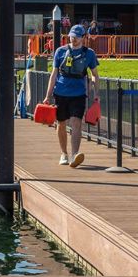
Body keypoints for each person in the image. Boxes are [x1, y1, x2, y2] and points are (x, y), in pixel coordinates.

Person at [43, 23, 100, 168]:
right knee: (61, 123)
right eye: (71, 36)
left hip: (79, 94)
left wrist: (96, 94)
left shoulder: (89, 53)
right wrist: (48, 96)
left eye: (77, 37)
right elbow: (54, 74)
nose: (73, 39)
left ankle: (75, 155)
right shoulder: (60, 51)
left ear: (83, 38)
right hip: (60, 92)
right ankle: (64, 153)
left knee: (76, 122)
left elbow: (95, 75)